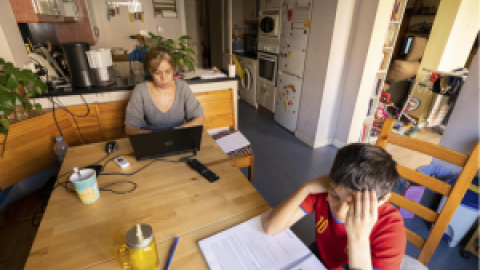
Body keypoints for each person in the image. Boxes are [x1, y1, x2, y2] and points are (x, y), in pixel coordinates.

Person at [263, 144, 406, 270]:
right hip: (320, 256)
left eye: (352, 204)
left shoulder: (391, 228)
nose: (339, 210)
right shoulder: (329, 190)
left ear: (383, 200)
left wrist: (358, 238)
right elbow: (271, 227)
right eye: (335, 196)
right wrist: (306, 187)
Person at [125, 47, 204, 135]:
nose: (164, 78)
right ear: (150, 71)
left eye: (168, 71)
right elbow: (130, 127)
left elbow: (199, 117)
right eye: (157, 72)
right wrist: (148, 135)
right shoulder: (140, 91)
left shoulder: (182, 87)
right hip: (152, 142)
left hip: (180, 138)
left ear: (173, 69)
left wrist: (182, 129)